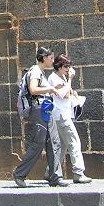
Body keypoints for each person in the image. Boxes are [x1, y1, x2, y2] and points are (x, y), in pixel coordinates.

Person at [12, 46, 69, 188]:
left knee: (54, 142)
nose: (52, 60)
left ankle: (55, 176)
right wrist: (50, 88)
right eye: (51, 58)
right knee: (38, 143)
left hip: (45, 109)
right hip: (39, 109)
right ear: (44, 58)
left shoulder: (40, 72)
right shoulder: (36, 71)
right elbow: (33, 89)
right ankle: (19, 174)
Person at [48, 54, 92, 184]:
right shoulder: (54, 78)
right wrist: (70, 79)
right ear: (59, 66)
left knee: (62, 146)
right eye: (66, 66)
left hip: (62, 115)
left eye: (69, 66)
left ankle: (51, 171)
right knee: (74, 141)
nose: (68, 69)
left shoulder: (60, 77)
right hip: (61, 116)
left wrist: (71, 88)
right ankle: (78, 172)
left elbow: (68, 92)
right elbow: (64, 95)